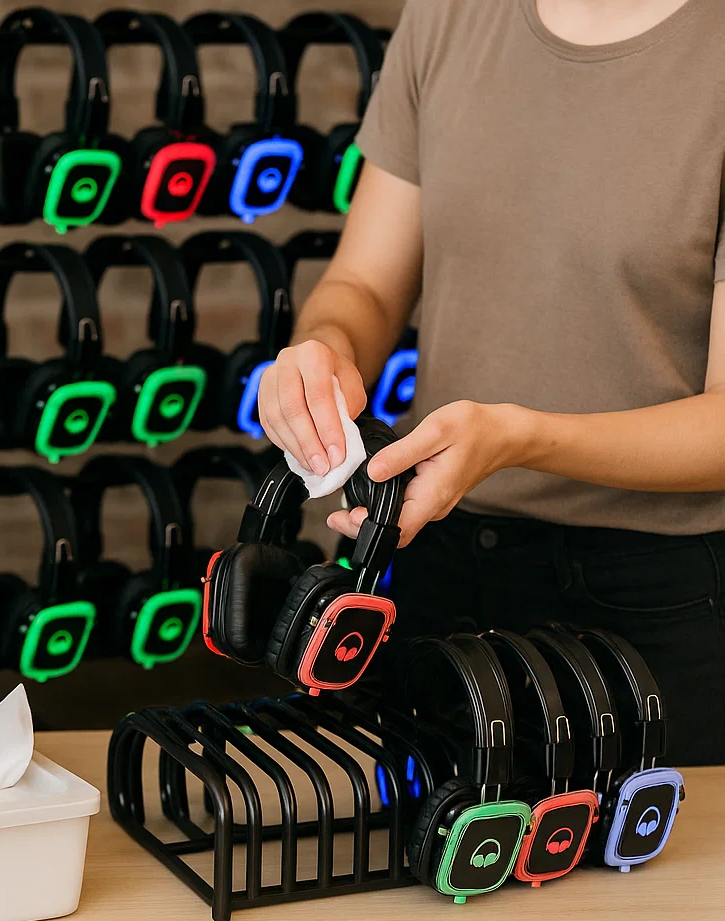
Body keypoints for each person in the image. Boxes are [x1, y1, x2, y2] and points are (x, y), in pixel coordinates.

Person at [258, 0, 725, 765]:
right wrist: (322, 349)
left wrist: (518, 438)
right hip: (434, 557)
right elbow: (365, 284)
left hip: (652, 598)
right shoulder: (448, 14)